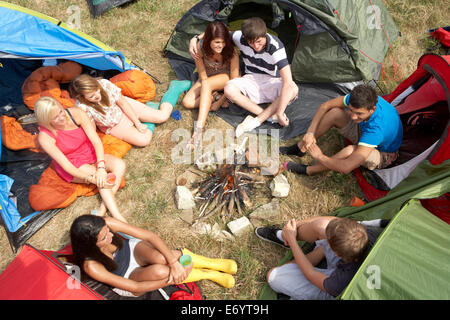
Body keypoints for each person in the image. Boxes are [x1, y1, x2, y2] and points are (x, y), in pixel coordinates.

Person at [70, 215, 238, 297]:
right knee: (161, 272)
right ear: (91, 244)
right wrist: (172, 279)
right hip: (127, 276)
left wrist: (173, 262)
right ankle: (207, 274)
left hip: (131, 251)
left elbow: (149, 236)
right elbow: (133, 287)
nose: (111, 236)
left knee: (163, 259)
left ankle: (212, 263)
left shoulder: (106, 223)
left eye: (108, 231)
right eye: (104, 238)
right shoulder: (91, 266)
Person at [189, 17, 298, 137]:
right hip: (251, 79)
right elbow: (217, 32)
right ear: (245, 38)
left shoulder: (276, 47)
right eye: (251, 42)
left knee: (293, 88)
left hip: (272, 81)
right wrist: (195, 38)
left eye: (259, 42)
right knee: (229, 88)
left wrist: (281, 112)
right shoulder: (240, 37)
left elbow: (287, 82)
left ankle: (257, 121)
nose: (256, 46)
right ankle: (269, 117)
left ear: (265, 34)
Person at [34, 96, 127, 223]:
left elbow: (96, 141)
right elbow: (67, 167)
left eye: (61, 111)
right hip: (73, 164)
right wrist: (90, 178)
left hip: (89, 151)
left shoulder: (77, 113)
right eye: (55, 118)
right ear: (46, 121)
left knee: (120, 165)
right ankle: (118, 217)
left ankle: (101, 210)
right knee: (102, 179)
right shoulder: (45, 138)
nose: (61, 117)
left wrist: (100, 166)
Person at [282, 84, 403, 175]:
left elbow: (346, 167)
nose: (353, 116)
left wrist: (320, 156)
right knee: (334, 113)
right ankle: (300, 147)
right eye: (351, 110)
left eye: (359, 113)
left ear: (372, 109)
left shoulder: (376, 130)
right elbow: (326, 106)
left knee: (350, 151)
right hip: (367, 131)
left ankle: (309, 170)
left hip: (383, 153)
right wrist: (310, 132)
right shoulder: (360, 98)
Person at [255, 216, 383, 299]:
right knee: (320, 225)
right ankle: (283, 238)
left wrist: (293, 241)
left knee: (273, 276)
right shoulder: (363, 234)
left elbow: (310, 275)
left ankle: (307, 256)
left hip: (333, 289)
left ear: (337, 253)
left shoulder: (338, 283)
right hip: (349, 261)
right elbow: (332, 220)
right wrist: (292, 227)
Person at [69, 74, 190, 147]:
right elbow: (91, 130)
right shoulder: (83, 108)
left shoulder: (104, 85)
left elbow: (123, 103)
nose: (97, 95)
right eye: (91, 96)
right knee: (144, 140)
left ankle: (175, 88)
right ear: (82, 97)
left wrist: (137, 123)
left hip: (122, 108)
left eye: (96, 90)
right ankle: (150, 112)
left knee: (163, 116)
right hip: (113, 124)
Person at [182, 21, 240, 150]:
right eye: (217, 42)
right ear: (208, 40)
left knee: (207, 84)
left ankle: (198, 130)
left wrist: (220, 102)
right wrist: (211, 98)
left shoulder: (232, 52)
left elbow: (234, 82)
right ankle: (213, 96)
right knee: (187, 102)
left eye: (223, 42)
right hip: (207, 79)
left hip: (225, 79)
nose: (221, 45)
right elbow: (202, 76)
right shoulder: (200, 48)